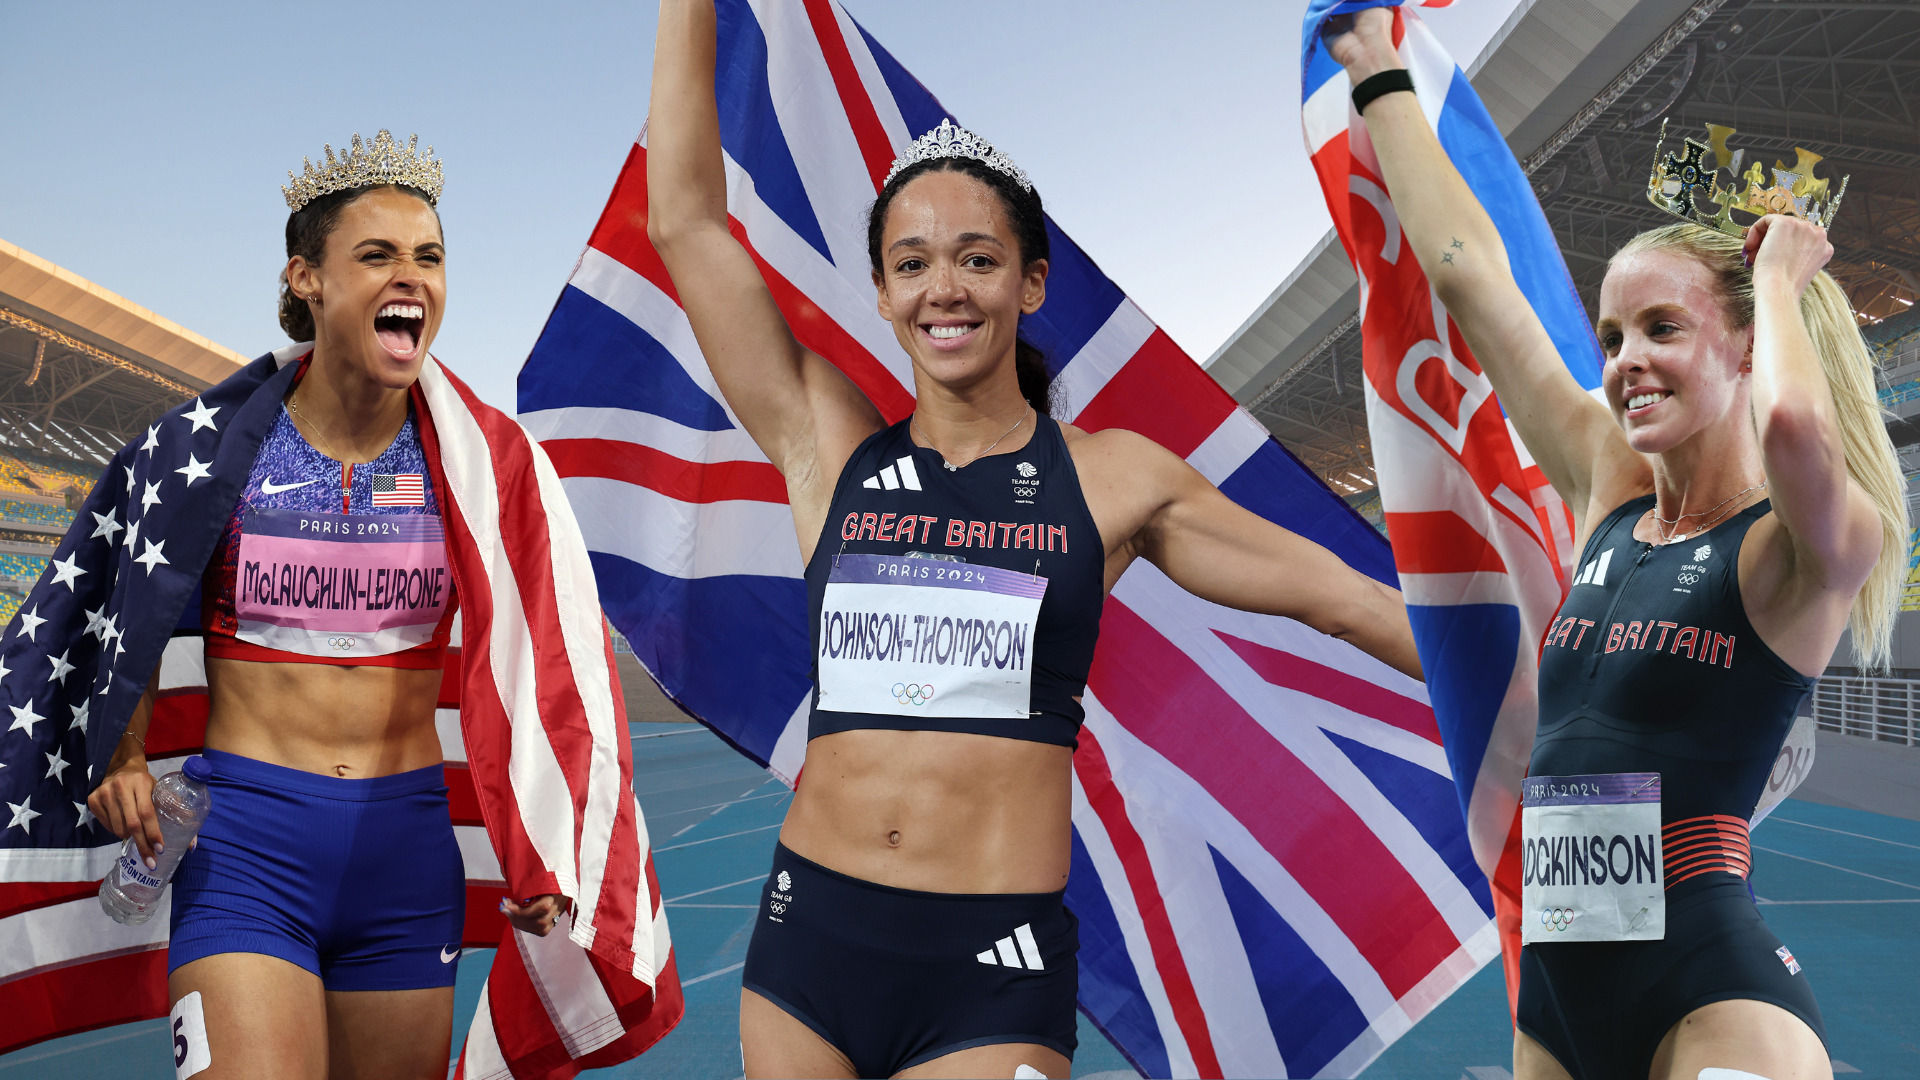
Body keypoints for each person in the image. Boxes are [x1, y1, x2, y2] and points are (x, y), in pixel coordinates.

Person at [647, 4, 1425, 1077]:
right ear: (881, 293)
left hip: (989, 963)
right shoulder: (828, 448)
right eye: (912, 264)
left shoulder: (1113, 478)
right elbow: (685, 222)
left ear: (1031, 282)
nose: (944, 289)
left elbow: (1347, 601)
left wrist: (1564, 693)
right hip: (806, 946)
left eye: (977, 258)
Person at [1327, 8, 1906, 1080]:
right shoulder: (1607, 486)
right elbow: (1468, 279)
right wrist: (1374, 67)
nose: (1626, 361)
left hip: (1712, 995)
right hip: (1555, 998)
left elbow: (1787, 426)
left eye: (1663, 329)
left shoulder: (1805, 550)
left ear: (1744, 346)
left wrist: (1777, 277)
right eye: (1611, 336)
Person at [83, 134, 571, 1079]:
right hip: (247, 849)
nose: (412, 276)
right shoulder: (213, 451)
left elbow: (542, 654)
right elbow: (135, 617)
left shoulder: (480, 463)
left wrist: (547, 836)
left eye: (429, 256)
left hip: (404, 853)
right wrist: (128, 751)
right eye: (378, 255)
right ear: (305, 278)